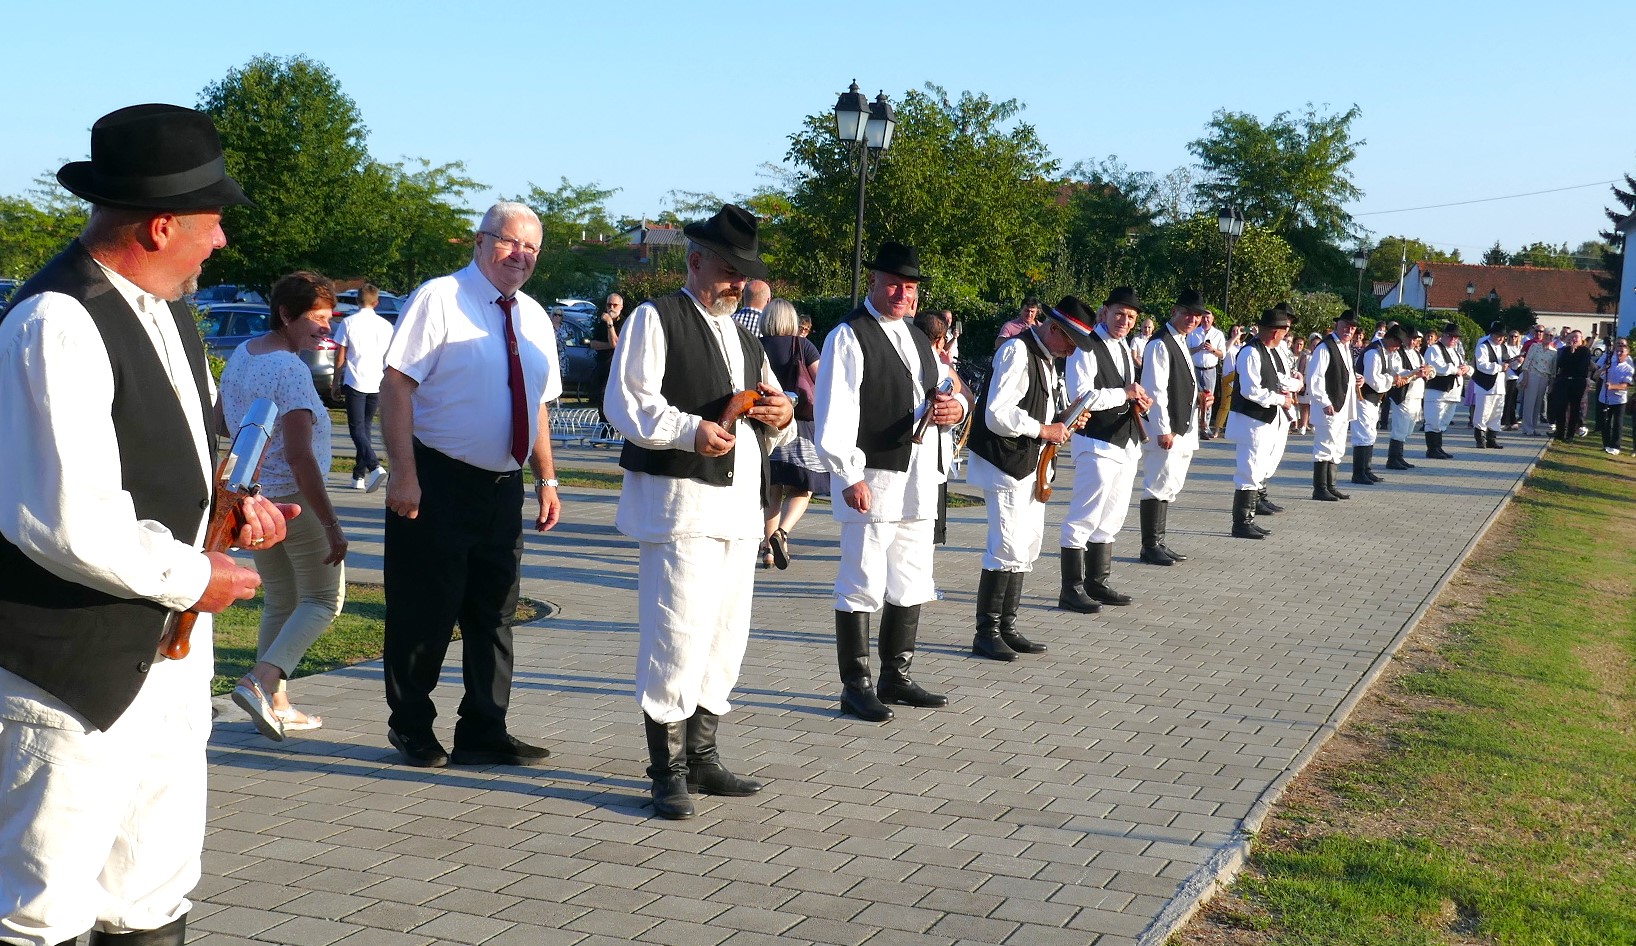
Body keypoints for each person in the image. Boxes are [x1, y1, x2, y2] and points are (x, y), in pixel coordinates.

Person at [0, 103, 290, 946]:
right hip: (68, 671)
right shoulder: (56, 322)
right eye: (214, 222)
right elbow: (65, 520)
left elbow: (163, 464)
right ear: (162, 226)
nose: (222, 241)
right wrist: (201, 576)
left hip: (165, 659)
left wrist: (226, 509)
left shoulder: (166, 308)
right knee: (43, 904)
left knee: (149, 890)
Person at [604, 204, 793, 820]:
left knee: (725, 637)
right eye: (729, 270)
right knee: (677, 635)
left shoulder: (747, 338)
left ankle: (704, 755)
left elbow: (777, 409)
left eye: (745, 273)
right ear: (695, 261)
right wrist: (689, 431)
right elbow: (628, 403)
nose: (739, 282)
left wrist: (782, 414)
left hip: (739, 511)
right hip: (681, 508)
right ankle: (668, 770)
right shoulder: (655, 318)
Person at [380, 201, 563, 769]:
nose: (520, 255)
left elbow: (536, 404)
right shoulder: (440, 297)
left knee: (496, 612)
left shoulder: (534, 316)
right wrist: (404, 474)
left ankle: (485, 728)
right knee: (425, 610)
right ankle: (411, 726)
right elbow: (396, 385)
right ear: (480, 241)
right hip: (437, 479)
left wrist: (547, 477)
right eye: (509, 241)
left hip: (503, 487)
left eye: (531, 247)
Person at [814, 241, 967, 723]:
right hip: (874, 474)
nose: (903, 294)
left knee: (912, 575)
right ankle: (855, 686)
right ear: (874, 282)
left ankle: (896, 675)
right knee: (862, 576)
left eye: (911, 287)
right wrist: (848, 475)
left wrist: (956, 408)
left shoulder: (918, 337)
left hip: (920, 476)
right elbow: (834, 413)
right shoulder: (849, 335)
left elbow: (949, 387)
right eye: (895, 285)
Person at [219, 271, 349, 739]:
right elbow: (300, 456)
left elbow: (221, 421)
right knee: (324, 600)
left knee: (283, 599)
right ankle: (259, 680)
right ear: (286, 315)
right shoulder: (289, 369)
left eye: (329, 318)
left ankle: (274, 704)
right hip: (291, 501)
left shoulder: (243, 353)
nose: (326, 328)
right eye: (316, 318)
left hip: (254, 500)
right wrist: (331, 523)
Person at [965, 299, 1096, 659]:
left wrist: (1066, 418)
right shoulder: (1017, 351)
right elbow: (996, 414)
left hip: (1031, 465)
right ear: (1053, 328)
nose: (1072, 351)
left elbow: (1040, 411)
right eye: (1070, 342)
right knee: (1006, 546)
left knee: (1027, 545)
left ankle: (1007, 627)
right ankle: (986, 633)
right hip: (1006, 464)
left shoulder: (1046, 357)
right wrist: (1044, 429)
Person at [1057, 287, 1151, 608]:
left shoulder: (1123, 346)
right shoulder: (1085, 346)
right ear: (1104, 311)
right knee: (1084, 515)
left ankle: (1097, 582)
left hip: (1125, 443)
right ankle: (1071, 588)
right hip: (1095, 442)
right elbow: (1082, 397)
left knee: (1112, 516)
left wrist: (1140, 400)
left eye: (1131, 317)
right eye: (1119, 314)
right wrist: (1125, 393)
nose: (1125, 321)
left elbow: (1126, 391)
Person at [1137, 290, 1211, 565]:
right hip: (1167, 427)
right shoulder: (1160, 343)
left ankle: (1159, 540)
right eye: (1187, 313)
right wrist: (1163, 429)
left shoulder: (1181, 340)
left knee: (1171, 483)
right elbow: (1156, 389)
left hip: (1183, 426)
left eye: (1197, 316)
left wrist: (1200, 396)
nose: (1192, 319)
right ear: (1174, 312)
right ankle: (1149, 545)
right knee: (1157, 483)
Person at [759, 298, 826, 569]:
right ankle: (782, 532)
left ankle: (768, 550)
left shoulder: (756, 345)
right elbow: (822, 380)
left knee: (772, 489)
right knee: (802, 487)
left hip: (767, 426)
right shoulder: (803, 346)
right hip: (801, 427)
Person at [1227, 308, 1299, 539]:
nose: (1285, 336)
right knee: (1249, 470)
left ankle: (1248, 518)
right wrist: (1280, 399)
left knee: (1257, 469)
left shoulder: (1268, 351)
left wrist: (1295, 385)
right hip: (1251, 420)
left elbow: (1277, 379)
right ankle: (1241, 523)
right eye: (1284, 332)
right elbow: (1250, 391)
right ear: (1275, 332)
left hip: (1263, 420)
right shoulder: (1250, 352)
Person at [330, 282, 393, 491]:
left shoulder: (348, 322)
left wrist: (335, 382)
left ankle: (374, 466)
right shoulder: (386, 326)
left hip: (355, 380)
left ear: (357, 300)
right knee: (365, 428)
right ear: (376, 302)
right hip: (377, 381)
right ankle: (358, 475)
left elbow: (340, 356)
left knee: (356, 429)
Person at [1306, 311, 1358, 501]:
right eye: (1345, 326)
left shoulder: (1346, 347)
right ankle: (1320, 488)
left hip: (1343, 405)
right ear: (1337, 325)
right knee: (1324, 445)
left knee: (1337, 446)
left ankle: (1331, 485)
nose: (1348, 330)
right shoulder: (1325, 347)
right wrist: (1324, 402)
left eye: (1352, 328)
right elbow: (1315, 378)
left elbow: (1344, 373)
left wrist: (1356, 379)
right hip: (1329, 405)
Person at [1351, 327, 1403, 483]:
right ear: (1389, 338)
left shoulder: (1384, 352)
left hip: (1374, 399)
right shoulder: (1373, 353)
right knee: (1363, 434)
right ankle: (1358, 473)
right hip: (1364, 398)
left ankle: (1366, 469)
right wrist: (1391, 380)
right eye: (1396, 343)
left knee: (1370, 434)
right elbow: (1372, 379)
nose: (1397, 348)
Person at [1423, 322, 1473, 459]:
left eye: (1456, 337)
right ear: (1443, 335)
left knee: (1444, 421)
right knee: (1434, 421)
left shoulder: (1455, 352)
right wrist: (1455, 369)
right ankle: (1432, 449)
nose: (1453, 339)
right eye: (1450, 336)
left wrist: (1467, 369)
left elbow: (1464, 367)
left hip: (1452, 393)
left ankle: (1438, 447)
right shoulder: (1434, 349)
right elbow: (1438, 367)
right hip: (1437, 392)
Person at [1385, 327, 1432, 470]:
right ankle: (1393, 458)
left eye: (1415, 339)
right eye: (1409, 339)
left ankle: (1399, 457)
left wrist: (1428, 371)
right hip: (1403, 395)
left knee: (1409, 427)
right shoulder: (1397, 353)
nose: (1412, 342)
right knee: (1400, 426)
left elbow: (1428, 369)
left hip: (1416, 395)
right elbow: (1398, 372)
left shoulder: (1417, 354)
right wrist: (1416, 372)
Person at [1470, 321, 1517, 450]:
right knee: (1483, 412)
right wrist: (1499, 367)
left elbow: (1507, 361)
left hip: (1499, 385)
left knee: (1497, 412)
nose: (1501, 339)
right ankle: (1480, 438)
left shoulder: (1503, 348)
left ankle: (1491, 438)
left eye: (1503, 336)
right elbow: (1482, 365)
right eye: (1498, 336)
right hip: (1485, 385)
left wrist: (1515, 362)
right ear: (1491, 334)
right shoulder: (1483, 347)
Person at [1187, 310, 1227, 438]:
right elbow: (1186, 351)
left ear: (1212, 319)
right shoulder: (1193, 332)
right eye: (1204, 318)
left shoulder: (1218, 334)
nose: (1206, 320)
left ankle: (1205, 427)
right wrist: (1198, 348)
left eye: (1208, 318)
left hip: (1210, 370)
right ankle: (1194, 426)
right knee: (1194, 398)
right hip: (1195, 369)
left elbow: (1222, 354)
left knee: (1208, 399)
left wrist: (1212, 349)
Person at [1550, 330, 1593, 442]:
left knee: (1574, 408)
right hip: (1564, 381)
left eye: (1576, 337)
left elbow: (1581, 367)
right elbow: (1561, 364)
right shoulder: (1566, 350)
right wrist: (1570, 352)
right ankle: (1559, 432)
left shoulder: (1585, 351)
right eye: (1572, 337)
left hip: (1577, 382)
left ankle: (1570, 435)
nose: (1574, 339)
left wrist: (1573, 355)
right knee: (1560, 407)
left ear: (1581, 339)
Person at [588, 292, 624, 414]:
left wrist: (610, 323)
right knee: (599, 397)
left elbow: (615, 343)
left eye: (615, 305)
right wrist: (610, 345)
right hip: (602, 365)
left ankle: (612, 422)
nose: (611, 308)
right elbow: (593, 344)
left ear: (621, 307)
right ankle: (603, 423)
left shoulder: (623, 323)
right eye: (609, 305)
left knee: (609, 397)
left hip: (615, 367)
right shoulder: (601, 323)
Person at [1597, 339, 1633, 455]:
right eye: (1618, 351)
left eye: (1622, 352)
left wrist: (1612, 386)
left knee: (1617, 423)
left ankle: (1616, 446)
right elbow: (1596, 376)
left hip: (1619, 400)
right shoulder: (1609, 365)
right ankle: (1606, 444)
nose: (1619, 353)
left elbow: (1625, 385)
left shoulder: (1629, 368)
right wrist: (1603, 369)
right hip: (1605, 398)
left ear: (1627, 354)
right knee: (1605, 422)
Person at [1520, 328, 1557, 436]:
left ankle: (1533, 427)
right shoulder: (1535, 346)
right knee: (1529, 402)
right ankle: (1527, 428)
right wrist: (1525, 378)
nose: (1548, 337)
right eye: (1546, 334)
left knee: (1538, 403)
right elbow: (1527, 363)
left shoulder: (1554, 352)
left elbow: (1553, 370)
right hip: (1532, 375)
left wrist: (1551, 383)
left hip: (1544, 378)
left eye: (1551, 336)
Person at [1502, 329, 1524, 429]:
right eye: (1511, 336)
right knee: (1507, 399)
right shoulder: (1505, 347)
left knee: (1512, 399)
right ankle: (1506, 421)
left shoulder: (1519, 348)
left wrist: (1519, 361)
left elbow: (1519, 364)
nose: (1513, 338)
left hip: (1516, 375)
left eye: (1515, 336)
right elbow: (1506, 361)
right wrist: (1514, 360)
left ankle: (1512, 420)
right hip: (1507, 375)